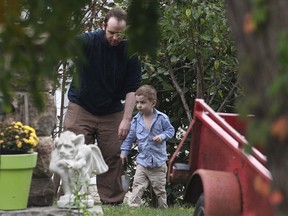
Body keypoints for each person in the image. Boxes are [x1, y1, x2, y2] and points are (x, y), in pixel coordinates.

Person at [63, 7, 142, 205]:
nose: (115, 38)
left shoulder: (131, 52)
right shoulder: (88, 40)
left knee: (113, 155)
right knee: (72, 152)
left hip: (112, 110)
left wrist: (126, 119)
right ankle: (70, 196)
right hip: (81, 106)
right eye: (112, 33)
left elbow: (132, 89)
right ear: (104, 26)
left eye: (120, 34)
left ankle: (112, 201)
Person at [120, 85, 175, 208]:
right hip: (142, 162)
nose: (139, 105)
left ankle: (162, 209)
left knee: (159, 189)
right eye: (137, 102)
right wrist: (124, 151)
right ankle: (134, 208)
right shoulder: (136, 120)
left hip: (158, 163)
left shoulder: (161, 118)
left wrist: (162, 136)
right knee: (137, 186)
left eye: (143, 102)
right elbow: (130, 138)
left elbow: (171, 131)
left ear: (153, 103)